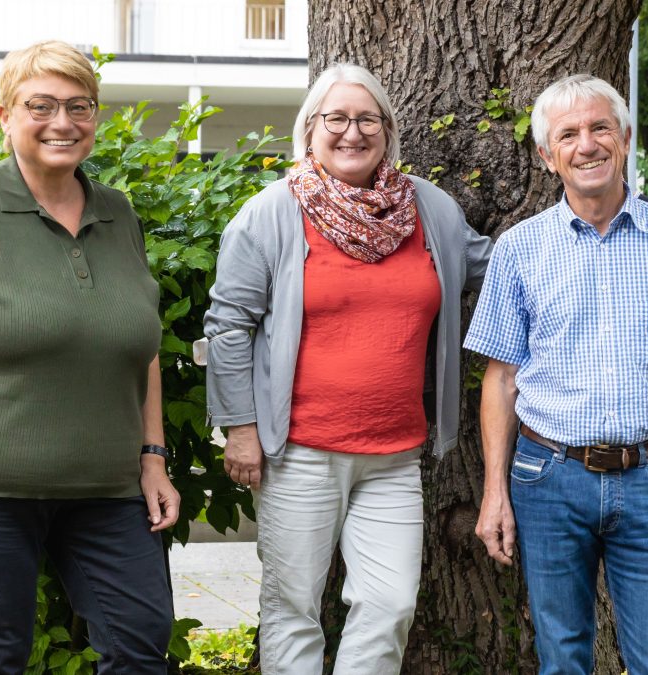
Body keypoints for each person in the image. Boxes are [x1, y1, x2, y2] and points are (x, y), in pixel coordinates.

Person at [0, 41, 178, 672]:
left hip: (108, 490)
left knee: (139, 642)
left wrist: (153, 458)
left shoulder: (118, 212)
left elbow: (140, 347)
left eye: (79, 106)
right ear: (4, 116)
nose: (62, 122)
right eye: (41, 105)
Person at [203, 63, 491, 674]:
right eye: (336, 118)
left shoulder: (429, 210)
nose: (352, 132)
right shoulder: (272, 213)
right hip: (299, 452)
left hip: (394, 455)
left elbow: (496, 270)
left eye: (367, 119)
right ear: (310, 128)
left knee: (390, 604)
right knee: (293, 608)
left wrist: (578, 234)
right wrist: (240, 427)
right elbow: (228, 326)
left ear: (388, 129)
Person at [465, 74, 648, 674]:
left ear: (626, 138)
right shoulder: (518, 249)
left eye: (600, 128)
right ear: (548, 156)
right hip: (547, 478)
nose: (586, 145)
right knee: (561, 661)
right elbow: (502, 379)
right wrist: (495, 493)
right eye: (568, 135)